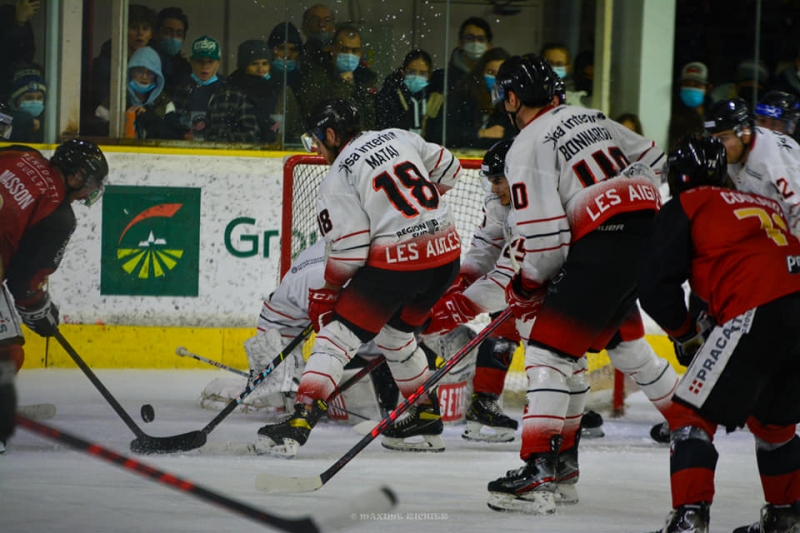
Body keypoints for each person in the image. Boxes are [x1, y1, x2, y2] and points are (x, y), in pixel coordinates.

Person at [485, 54, 669, 514]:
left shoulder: (526, 143)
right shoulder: (594, 117)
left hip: (605, 242)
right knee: (603, 348)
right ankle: (564, 467)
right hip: (648, 234)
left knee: (548, 350)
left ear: (511, 98)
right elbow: (658, 162)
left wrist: (529, 286)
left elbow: (544, 239)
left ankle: (540, 473)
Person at [256, 98, 463, 458]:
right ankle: (424, 414)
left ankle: (301, 419)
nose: (317, 150)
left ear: (332, 134)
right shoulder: (400, 136)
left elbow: (350, 251)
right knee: (395, 335)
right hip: (446, 258)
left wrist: (328, 293)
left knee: (336, 336)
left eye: (316, 141)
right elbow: (451, 170)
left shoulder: (339, 176)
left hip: (399, 267)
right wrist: (416, 218)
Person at [639, 133, 800, 533]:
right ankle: (788, 516)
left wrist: (684, 334)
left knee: (690, 414)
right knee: (774, 425)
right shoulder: (764, 202)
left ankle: (691, 518)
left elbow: (656, 287)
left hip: (758, 310)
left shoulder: (687, 204)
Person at [0, 140, 109, 454]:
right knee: (7, 354)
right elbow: (23, 284)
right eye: (90, 184)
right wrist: (39, 310)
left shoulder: (24, 154)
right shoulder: (58, 216)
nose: (89, 192)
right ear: (75, 177)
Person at [705, 98, 800, 237]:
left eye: (723, 138)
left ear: (745, 134)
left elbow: (797, 208)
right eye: (712, 139)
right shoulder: (735, 153)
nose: (716, 147)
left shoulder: (774, 162)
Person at [297, 25, 378, 130]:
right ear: (333, 50)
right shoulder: (316, 75)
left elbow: (371, 119)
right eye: (344, 49)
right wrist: (342, 84)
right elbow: (319, 113)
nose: (349, 55)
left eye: (355, 51)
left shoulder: (366, 79)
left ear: (360, 53)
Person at [90, 4, 156, 130]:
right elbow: (104, 104)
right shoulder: (106, 65)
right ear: (123, 29)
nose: (140, 33)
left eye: (145, 28)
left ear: (151, 34)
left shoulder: (157, 65)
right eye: (134, 28)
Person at [436, 47, 512, 149]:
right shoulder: (462, 96)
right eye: (490, 72)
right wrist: (481, 133)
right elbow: (444, 134)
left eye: (500, 74)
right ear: (481, 72)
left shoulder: (511, 103)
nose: (495, 78)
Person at [204, 40, 269, 144]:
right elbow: (217, 134)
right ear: (244, 66)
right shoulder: (229, 92)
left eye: (265, 63)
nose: (260, 69)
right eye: (254, 64)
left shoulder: (274, 91)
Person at [375, 49, 443, 141]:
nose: (416, 77)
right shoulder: (389, 95)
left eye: (422, 73)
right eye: (411, 72)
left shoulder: (435, 97)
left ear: (429, 75)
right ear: (403, 72)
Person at [172, 35, 225, 141]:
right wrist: (180, 137)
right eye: (200, 61)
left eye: (210, 61)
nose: (205, 66)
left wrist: (211, 139)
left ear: (218, 63)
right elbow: (170, 123)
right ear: (191, 61)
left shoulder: (229, 91)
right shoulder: (180, 89)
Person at [124, 46, 182, 140]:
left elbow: (174, 137)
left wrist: (149, 118)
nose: (144, 77)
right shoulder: (117, 100)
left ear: (157, 77)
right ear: (130, 71)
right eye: (140, 71)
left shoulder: (165, 104)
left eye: (150, 73)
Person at [431, 17, 493, 93]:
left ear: (489, 46)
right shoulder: (442, 78)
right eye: (470, 38)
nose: (475, 43)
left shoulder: (493, 78)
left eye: (481, 39)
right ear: (460, 43)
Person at [0, 0, 39, 104]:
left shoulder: (25, 26)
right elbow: (5, 53)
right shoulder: (5, 15)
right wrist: (19, 21)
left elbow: (27, 55)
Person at [668, 61, 710, 151]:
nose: (691, 89)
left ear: (707, 88)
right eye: (687, 84)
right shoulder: (674, 117)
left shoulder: (713, 115)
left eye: (696, 85)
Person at [154, 7, 192, 94]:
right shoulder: (145, 63)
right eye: (168, 32)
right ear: (156, 33)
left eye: (179, 33)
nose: (174, 37)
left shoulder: (187, 70)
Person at [6, 66, 46, 143]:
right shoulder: (5, 122)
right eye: (28, 98)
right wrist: (27, 120)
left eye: (39, 98)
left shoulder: (50, 126)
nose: (35, 102)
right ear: (14, 101)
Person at [267, 21, 303, 95]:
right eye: (281, 48)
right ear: (270, 50)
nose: (287, 55)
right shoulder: (260, 79)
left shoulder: (304, 80)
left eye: (293, 50)